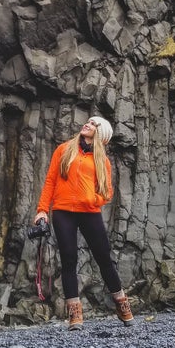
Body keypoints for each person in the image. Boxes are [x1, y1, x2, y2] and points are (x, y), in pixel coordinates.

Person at [33, 115, 133, 330]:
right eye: (88, 121)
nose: (88, 124)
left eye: (94, 124)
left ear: (101, 134)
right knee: (69, 260)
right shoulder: (64, 149)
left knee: (104, 258)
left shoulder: (102, 161)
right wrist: (42, 211)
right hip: (63, 212)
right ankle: (75, 315)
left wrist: (92, 199)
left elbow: (107, 192)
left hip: (89, 212)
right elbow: (50, 180)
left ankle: (122, 303)